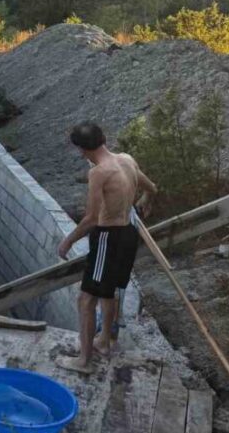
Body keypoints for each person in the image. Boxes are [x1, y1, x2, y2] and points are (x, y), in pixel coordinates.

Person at [55, 122, 157, 375]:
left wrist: (68, 241)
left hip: (107, 238)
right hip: (129, 235)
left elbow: (91, 218)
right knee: (108, 292)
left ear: (81, 150)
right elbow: (152, 187)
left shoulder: (99, 172)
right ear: (104, 138)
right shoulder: (126, 159)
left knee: (86, 298)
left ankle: (83, 361)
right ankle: (103, 342)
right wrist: (146, 199)